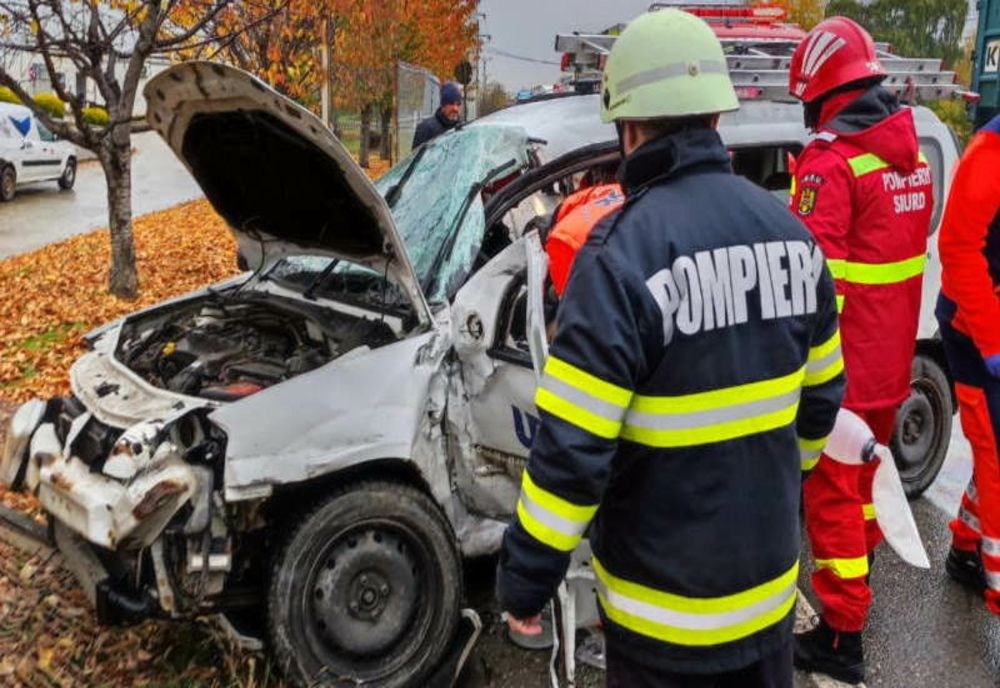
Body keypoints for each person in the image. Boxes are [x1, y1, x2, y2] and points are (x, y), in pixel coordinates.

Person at [496, 9, 845, 687]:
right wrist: (774, 482)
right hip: (767, 605)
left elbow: (571, 454)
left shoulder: (618, 257)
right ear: (716, 116)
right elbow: (822, 400)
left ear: (628, 128)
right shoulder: (795, 240)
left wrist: (525, 582)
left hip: (660, 628)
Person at [787, 17, 934, 684]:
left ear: (822, 89)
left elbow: (816, 291)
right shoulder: (911, 157)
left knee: (832, 500)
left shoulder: (832, 164)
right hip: (891, 362)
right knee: (868, 486)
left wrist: (801, 372)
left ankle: (842, 640)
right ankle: (860, 585)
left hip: (843, 372)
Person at [934, 115, 1000, 611]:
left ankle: (965, 548)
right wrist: (993, 342)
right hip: (974, 331)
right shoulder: (989, 157)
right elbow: (958, 250)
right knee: (997, 455)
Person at [412, 82, 462, 148]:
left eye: (458, 104)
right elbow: (417, 153)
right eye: (451, 103)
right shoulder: (426, 129)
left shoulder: (462, 128)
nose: (455, 108)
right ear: (443, 105)